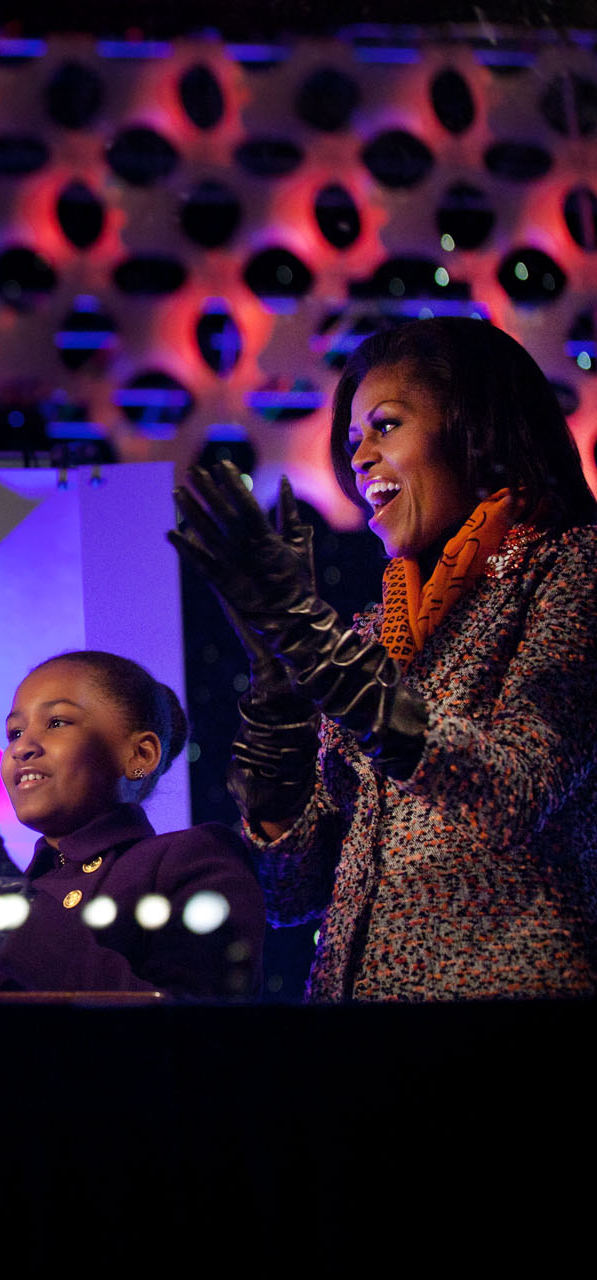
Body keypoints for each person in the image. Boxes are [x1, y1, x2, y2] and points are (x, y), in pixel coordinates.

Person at [173, 316, 597, 1000]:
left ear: (478, 432)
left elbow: (516, 790)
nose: (360, 457)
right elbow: (294, 891)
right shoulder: (373, 636)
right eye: (352, 441)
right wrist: (281, 693)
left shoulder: (571, 571)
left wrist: (326, 659)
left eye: (387, 425)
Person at [0, 651, 265, 1001]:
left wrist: (8, 907)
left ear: (140, 754)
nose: (22, 747)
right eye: (15, 732)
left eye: (57, 722)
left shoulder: (191, 857)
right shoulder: (9, 892)